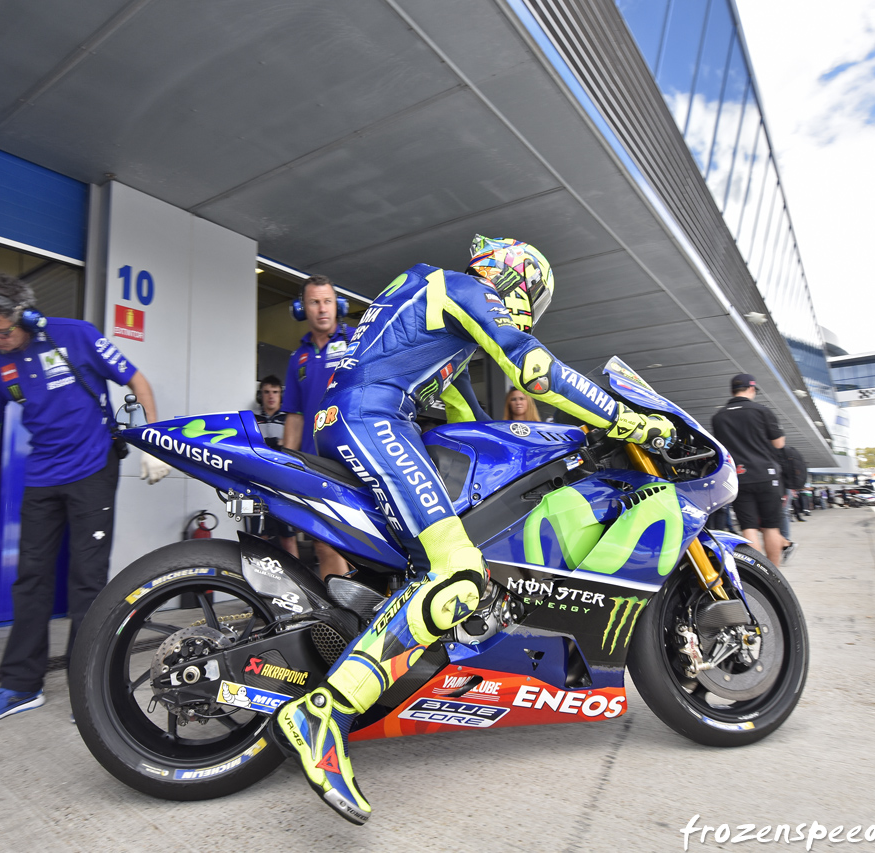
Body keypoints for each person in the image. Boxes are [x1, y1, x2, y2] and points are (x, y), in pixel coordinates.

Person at [271, 235, 675, 824]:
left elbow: (465, 415)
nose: (528, 313)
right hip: (372, 418)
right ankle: (324, 713)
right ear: (516, 279)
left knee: (436, 564)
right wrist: (631, 422)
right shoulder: (460, 290)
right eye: (531, 300)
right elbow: (535, 370)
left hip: (364, 417)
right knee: (458, 572)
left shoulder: (433, 312)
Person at [0, 272, 169, 725]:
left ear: (27, 317)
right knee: (30, 580)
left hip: (94, 470)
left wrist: (152, 442)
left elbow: (137, 381)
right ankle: (20, 685)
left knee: (86, 580)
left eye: (2, 330)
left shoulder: (75, 336)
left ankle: (88, 685)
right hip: (40, 477)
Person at [281, 275, 354, 580]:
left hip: (355, 459)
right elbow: (294, 416)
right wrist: (284, 464)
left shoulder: (357, 342)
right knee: (325, 544)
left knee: (359, 545)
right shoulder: (297, 358)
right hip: (316, 465)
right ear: (302, 309)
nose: (322, 309)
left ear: (337, 306)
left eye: (327, 301)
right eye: (314, 302)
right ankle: (346, 620)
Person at [710, 374, 786, 566]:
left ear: (732, 391)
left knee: (748, 528)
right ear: (752, 389)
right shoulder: (762, 411)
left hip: (739, 477)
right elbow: (779, 444)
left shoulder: (719, 417)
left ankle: (758, 573)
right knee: (771, 527)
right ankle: (775, 575)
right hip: (766, 476)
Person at [250, 376, 298, 557]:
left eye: (275, 392)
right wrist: (276, 442)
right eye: (267, 392)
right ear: (260, 395)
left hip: (283, 486)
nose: (271, 396)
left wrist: (267, 444)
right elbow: (252, 446)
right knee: (258, 538)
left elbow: (292, 446)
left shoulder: (290, 419)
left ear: (281, 395)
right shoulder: (253, 419)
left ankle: (300, 582)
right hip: (256, 486)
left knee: (288, 537)